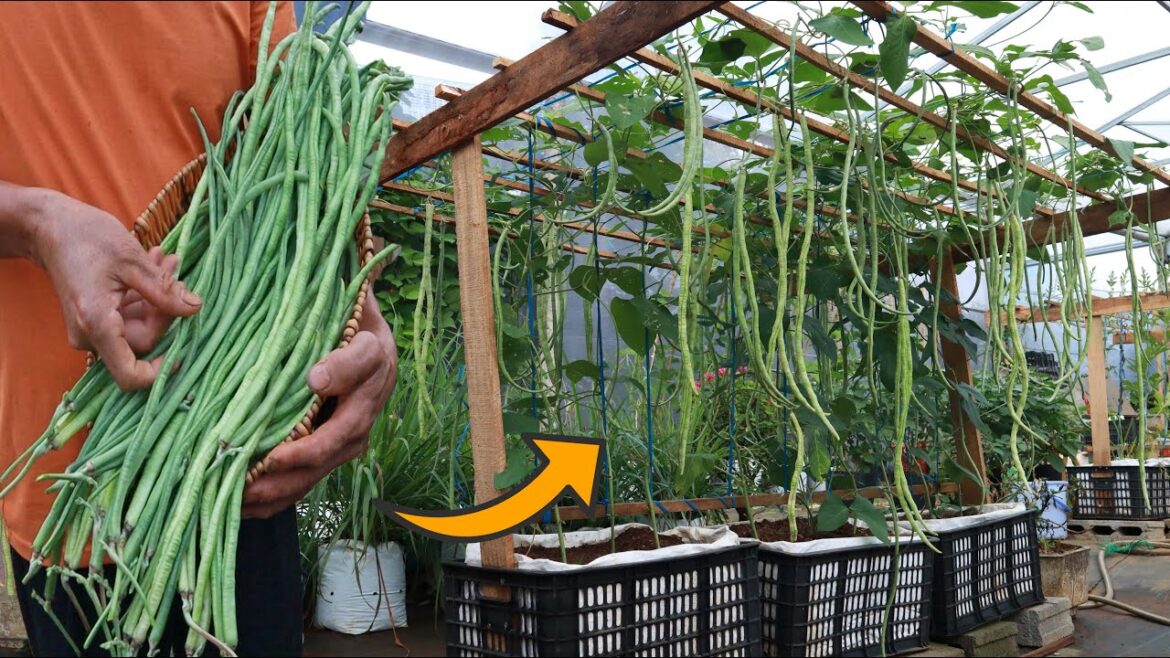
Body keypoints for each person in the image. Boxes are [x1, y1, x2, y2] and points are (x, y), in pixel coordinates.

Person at [0, 3, 398, 655]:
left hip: (240, 468)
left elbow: (299, 169)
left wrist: (363, 321)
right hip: (66, 500)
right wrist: (36, 222)